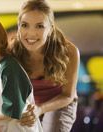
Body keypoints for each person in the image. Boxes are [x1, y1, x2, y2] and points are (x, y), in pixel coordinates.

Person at [10, 0, 79, 132]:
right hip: (28, 105)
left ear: (51, 28)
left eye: (39, 26)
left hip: (61, 102)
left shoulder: (69, 52)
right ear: (18, 26)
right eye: (25, 25)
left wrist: (40, 109)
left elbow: (67, 96)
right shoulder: (12, 52)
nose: (31, 33)